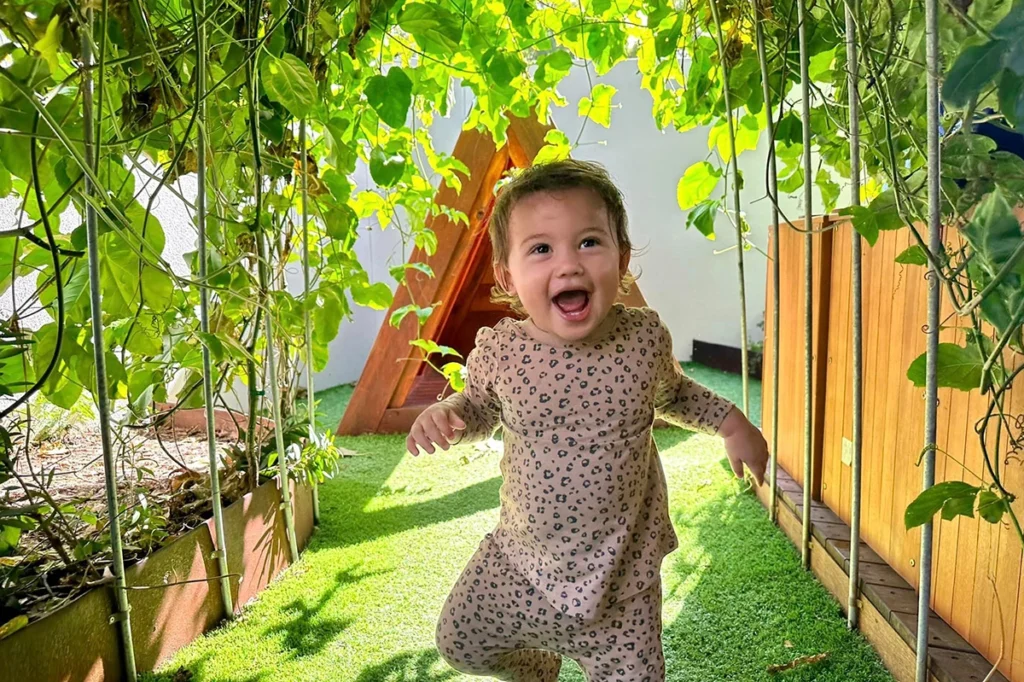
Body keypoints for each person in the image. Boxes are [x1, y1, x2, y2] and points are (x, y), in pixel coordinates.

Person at [406, 159, 769, 682]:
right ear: (508, 276)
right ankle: (539, 668)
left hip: (622, 584)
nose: (569, 265)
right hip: (521, 565)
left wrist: (732, 424)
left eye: (589, 243)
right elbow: (481, 407)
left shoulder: (641, 342)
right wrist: (450, 413)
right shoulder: (503, 351)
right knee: (461, 641)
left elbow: (676, 394)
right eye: (541, 249)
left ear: (621, 260)